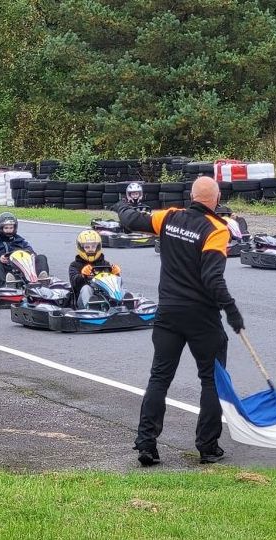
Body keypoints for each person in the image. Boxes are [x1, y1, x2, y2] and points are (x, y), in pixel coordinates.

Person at [113, 176, 244, 467]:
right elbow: (212, 278)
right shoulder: (217, 230)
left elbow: (132, 219)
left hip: (169, 312)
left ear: (192, 196)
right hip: (201, 316)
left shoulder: (169, 218)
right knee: (212, 380)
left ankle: (146, 443)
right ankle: (207, 446)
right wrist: (231, 310)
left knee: (159, 377)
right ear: (217, 199)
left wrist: (121, 205)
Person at [0, 212, 49, 287]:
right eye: (6, 228)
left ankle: (42, 282)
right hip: (5, 269)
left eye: (11, 228)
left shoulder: (21, 242)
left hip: (23, 268)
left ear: (15, 228)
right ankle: (6, 285)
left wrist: (28, 254)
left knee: (41, 257)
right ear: (0, 228)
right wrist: (0, 259)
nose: (9, 230)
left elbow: (32, 253)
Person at [68, 229, 121, 308]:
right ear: (80, 248)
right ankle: (91, 308)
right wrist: (82, 275)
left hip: (104, 296)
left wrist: (116, 274)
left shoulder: (105, 264)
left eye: (93, 246)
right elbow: (74, 283)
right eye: (87, 247)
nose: (90, 249)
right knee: (86, 288)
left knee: (121, 289)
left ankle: (123, 305)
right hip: (82, 302)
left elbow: (112, 283)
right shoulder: (74, 265)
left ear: (98, 247)